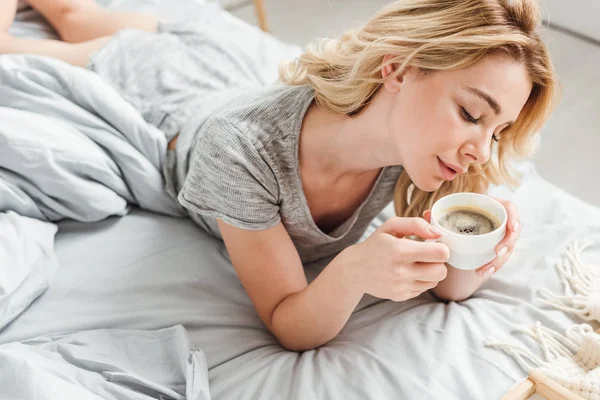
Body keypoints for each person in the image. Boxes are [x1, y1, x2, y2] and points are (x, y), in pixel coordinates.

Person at [1, 0, 559, 351]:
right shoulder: (241, 152)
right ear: (397, 69)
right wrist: (353, 269)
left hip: (216, 73)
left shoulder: (425, 153)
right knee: (47, 33)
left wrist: (486, 251)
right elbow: (288, 322)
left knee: (77, 11)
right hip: (159, 87)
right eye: (471, 113)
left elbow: (449, 284)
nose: (481, 150)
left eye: (498, 129)